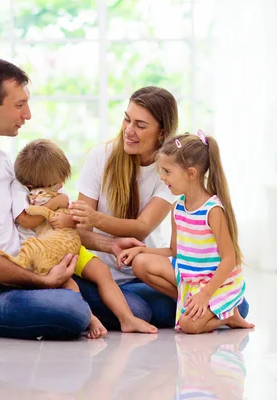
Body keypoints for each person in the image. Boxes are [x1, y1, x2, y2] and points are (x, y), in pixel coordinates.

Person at [0, 58, 142, 340]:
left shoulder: (0, 161)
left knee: (140, 307)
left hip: (25, 274)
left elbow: (37, 225)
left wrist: (109, 244)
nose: (28, 115)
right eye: (19, 105)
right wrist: (44, 282)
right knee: (72, 311)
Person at [10, 139, 157, 337]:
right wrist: (56, 202)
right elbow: (27, 220)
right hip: (48, 253)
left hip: (70, 245)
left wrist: (67, 215)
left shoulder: (56, 191)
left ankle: (126, 319)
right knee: (70, 285)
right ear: (32, 185)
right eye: (55, 183)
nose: (60, 186)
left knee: (101, 271)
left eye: (61, 182)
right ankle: (91, 319)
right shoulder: (23, 192)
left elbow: (72, 221)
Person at [118, 131, 255, 333]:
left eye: (167, 171)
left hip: (217, 283)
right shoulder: (178, 207)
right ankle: (194, 304)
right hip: (190, 278)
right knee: (140, 263)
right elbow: (175, 252)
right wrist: (141, 251)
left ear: (191, 173)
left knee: (189, 326)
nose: (162, 178)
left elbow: (229, 259)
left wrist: (206, 294)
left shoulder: (213, 210)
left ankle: (230, 316)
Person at [68, 86, 181, 329]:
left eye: (141, 125)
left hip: (142, 274)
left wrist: (95, 218)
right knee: (143, 310)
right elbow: (78, 230)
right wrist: (106, 240)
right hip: (99, 276)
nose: (129, 130)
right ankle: (113, 307)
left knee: (237, 305)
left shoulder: (170, 171)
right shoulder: (101, 157)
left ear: (161, 133)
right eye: (127, 119)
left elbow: (141, 229)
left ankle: (120, 308)